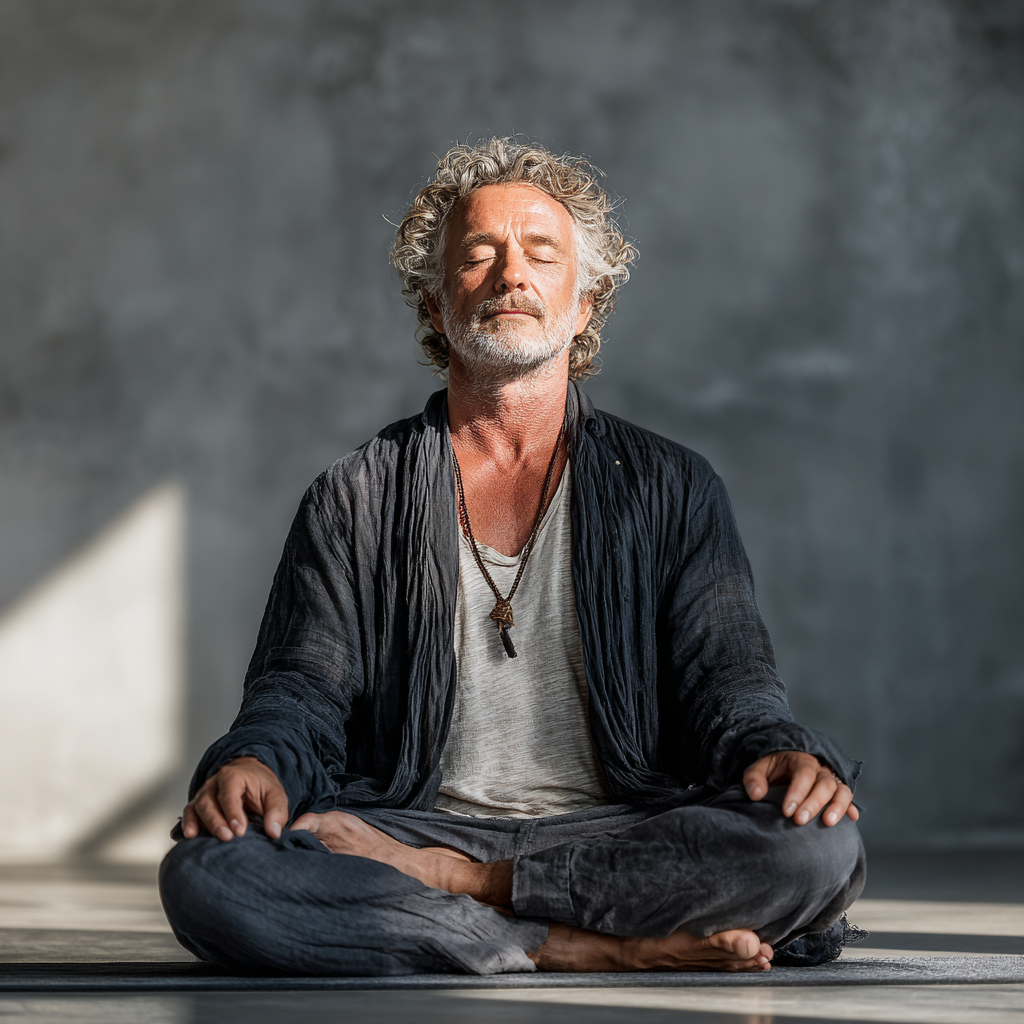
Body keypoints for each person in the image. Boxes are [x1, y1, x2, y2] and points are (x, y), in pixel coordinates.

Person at [159, 138, 865, 977]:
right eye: (478, 255)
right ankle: (570, 944)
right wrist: (255, 763)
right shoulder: (356, 496)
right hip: (410, 824)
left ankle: (469, 899)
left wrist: (776, 751)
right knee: (208, 871)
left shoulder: (672, 488)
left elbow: (730, 684)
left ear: (586, 302)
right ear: (434, 303)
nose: (510, 275)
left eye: (540, 252)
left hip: (618, 830)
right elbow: (301, 692)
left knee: (817, 848)